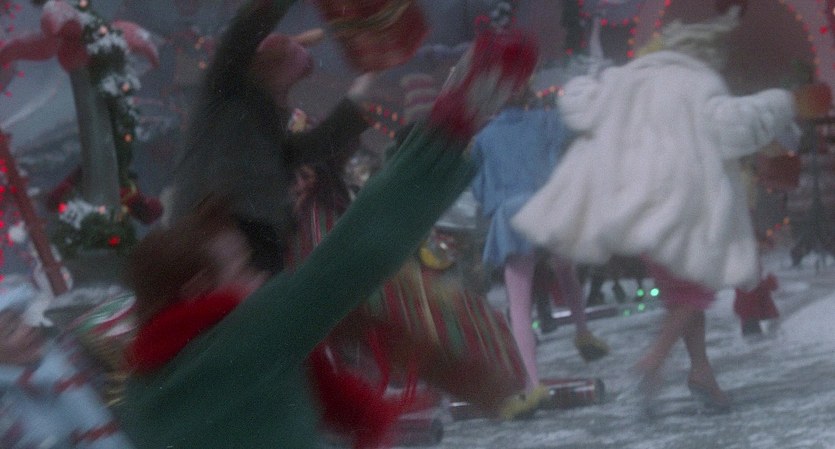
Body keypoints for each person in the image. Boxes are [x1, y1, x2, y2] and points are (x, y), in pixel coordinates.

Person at [117, 19, 539, 449]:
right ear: (196, 288)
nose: (259, 277)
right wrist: (451, 125)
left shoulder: (141, 393)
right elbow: (352, 257)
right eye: (240, 269)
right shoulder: (248, 338)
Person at [512, 6, 800, 413]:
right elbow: (732, 127)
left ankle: (702, 373)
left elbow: (581, 106)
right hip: (684, 209)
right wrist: (779, 104)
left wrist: (579, 84)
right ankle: (654, 360)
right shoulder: (701, 84)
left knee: (683, 292)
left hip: (634, 208)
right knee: (696, 289)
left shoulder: (628, 79)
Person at [167, 0, 372, 275]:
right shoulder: (225, 88)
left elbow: (316, 145)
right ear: (266, 62)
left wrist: (363, 93)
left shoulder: (268, 120)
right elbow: (245, 29)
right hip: (214, 225)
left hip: (258, 237)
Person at [469, 84, 609, 420]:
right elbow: (573, 136)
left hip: (512, 214)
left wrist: (496, 204)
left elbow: (479, 187)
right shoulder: (545, 121)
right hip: (548, 206)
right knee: (565, 268)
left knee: (519, 305)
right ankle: (582, 331)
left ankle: (533, 384)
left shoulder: (484, 138)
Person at [0, 281, 137, 449]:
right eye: (10, 330)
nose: (28, 328)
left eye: (22, 319)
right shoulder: (7, 411)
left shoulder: (69, 353)